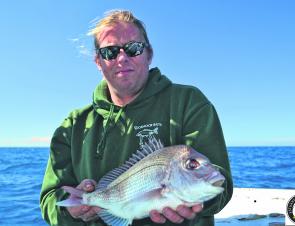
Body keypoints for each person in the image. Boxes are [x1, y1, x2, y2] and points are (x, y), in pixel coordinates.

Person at [40, 10, 233, 226]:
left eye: (134, 48)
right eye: (110, 52)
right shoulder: (74, 124)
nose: (122, 58)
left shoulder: (188, 101)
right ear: (98, 61)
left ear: (149, 54)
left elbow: (220, 182)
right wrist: (73, 210)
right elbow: (50, 200)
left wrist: (199, 203)